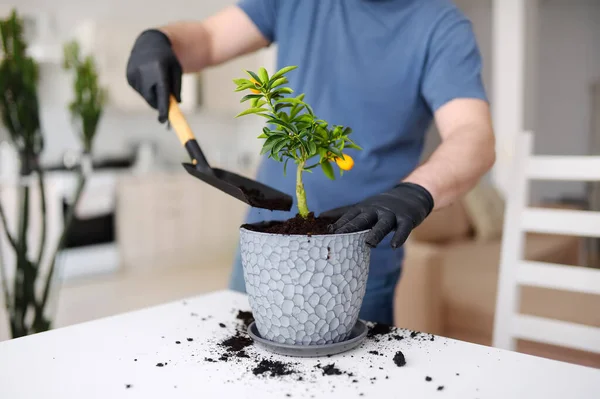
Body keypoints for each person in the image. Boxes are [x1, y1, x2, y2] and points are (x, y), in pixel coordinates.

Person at [126, 0, 496, 326]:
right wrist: (160, 39)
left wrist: (416, 191)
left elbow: (472, 134)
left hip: (357, 255)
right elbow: (207, 38)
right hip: (265, 246)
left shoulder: (441, 26)